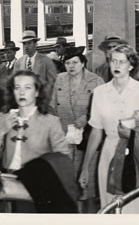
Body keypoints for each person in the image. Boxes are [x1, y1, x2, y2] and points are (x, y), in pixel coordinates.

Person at [78, 44, 139, 214]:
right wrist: (85, 167)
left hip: (134, 153)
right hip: (108, 154)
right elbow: (96, 132)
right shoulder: (99, 92)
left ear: (131, 65)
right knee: (109, 208)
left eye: (122, 62)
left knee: (133, 208)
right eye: (113, 61)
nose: (116, 66)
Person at [0, 70, 76, 212]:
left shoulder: (51, 122)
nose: (21, 92)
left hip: (39, 187)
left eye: (27, 87)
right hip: (8, 186)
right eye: (17, 87)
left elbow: (63, 159)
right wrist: (0, 133)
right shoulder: (0, 119)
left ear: (37, 92)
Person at [51, 46, 104, 213]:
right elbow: (52, 105)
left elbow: (101, 108)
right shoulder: (59, 79)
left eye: (74, 62)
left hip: (87, 137)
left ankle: (90, 215)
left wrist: (85, 119)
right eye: (67, 63)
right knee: (68, 180)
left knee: (87, 181)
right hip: (64, 135)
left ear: (83, 63)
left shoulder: (96, 81)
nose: (71, 66)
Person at [14, 30, 57, 104]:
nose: (26, 46)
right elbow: (15, 83)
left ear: (35, 44)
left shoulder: (46, 60)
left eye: (29, 43)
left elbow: (52, 82)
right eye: (24, 44)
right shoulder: (19, 62)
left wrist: (44, 98)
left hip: (42, 101)